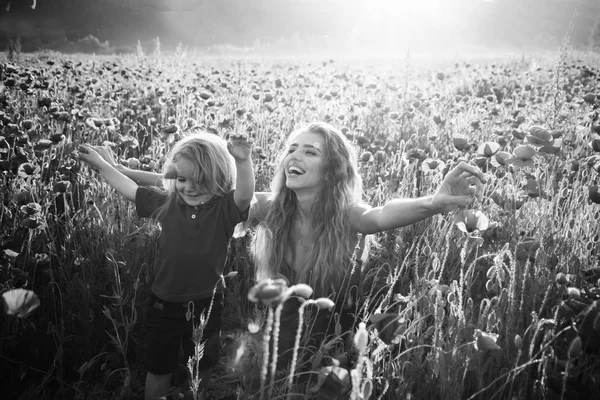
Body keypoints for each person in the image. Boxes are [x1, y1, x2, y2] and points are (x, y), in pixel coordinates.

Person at [245, 121, 486, 379]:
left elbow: (380, 215)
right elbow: (228, 200)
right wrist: (240, 160)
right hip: (278, 342)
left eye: (310, 152)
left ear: (331, 170)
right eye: (291, 149)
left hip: (333, 347)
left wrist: (433, 203)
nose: (294, 155)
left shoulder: (346, 216)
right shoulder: (269, 208)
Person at [77, 129, 254, 400]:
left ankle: (199, 394)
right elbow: (130, 190)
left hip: (207, 302)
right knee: (159, 365)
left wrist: (242, 162)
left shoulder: (224, 209)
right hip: (165, 304)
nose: (190, 187)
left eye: (201, 181)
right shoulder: (168, 202)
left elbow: (244, 193)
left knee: (203, 362)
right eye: (182, 179)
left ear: (220, 181)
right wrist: (104, 166)